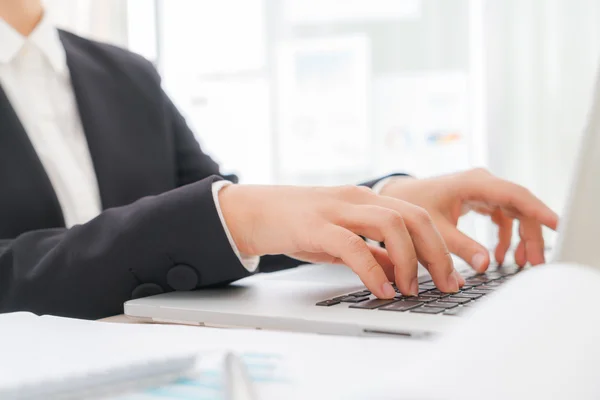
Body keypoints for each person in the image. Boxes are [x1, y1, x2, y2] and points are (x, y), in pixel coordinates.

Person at [0, 0, 558, 320]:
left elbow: (221, 235)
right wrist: (237, 216)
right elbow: (223, 216)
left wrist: (379, 201)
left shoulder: (125, 74)